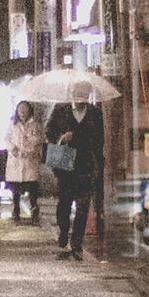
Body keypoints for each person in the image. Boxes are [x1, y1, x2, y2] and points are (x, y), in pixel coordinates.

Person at [45, 81, 105, 260]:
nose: (81, 97)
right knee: (64, 201)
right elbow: (49, 131)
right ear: (72, 93)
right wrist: (61, 137)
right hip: (64, 161)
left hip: (85, 163)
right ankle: (64, 230)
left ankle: (77, 241)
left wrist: (79, 138)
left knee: (83, 204)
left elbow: (99, 138)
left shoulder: (95, 113)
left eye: (85, 94)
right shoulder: (60, 110)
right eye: (78, 93)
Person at [4, 100, 44, 223]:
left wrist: (29, 148)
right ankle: (16, 209)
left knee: (32, 185)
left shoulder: (35, 124)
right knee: (15, 186)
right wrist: (12, 148)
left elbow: (38, 140)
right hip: (15, 159)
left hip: (29, 159)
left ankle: (34, 208)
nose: (22, 111)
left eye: (25, 109)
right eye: (20, 109)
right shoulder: (12, 124)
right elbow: (7, 138)